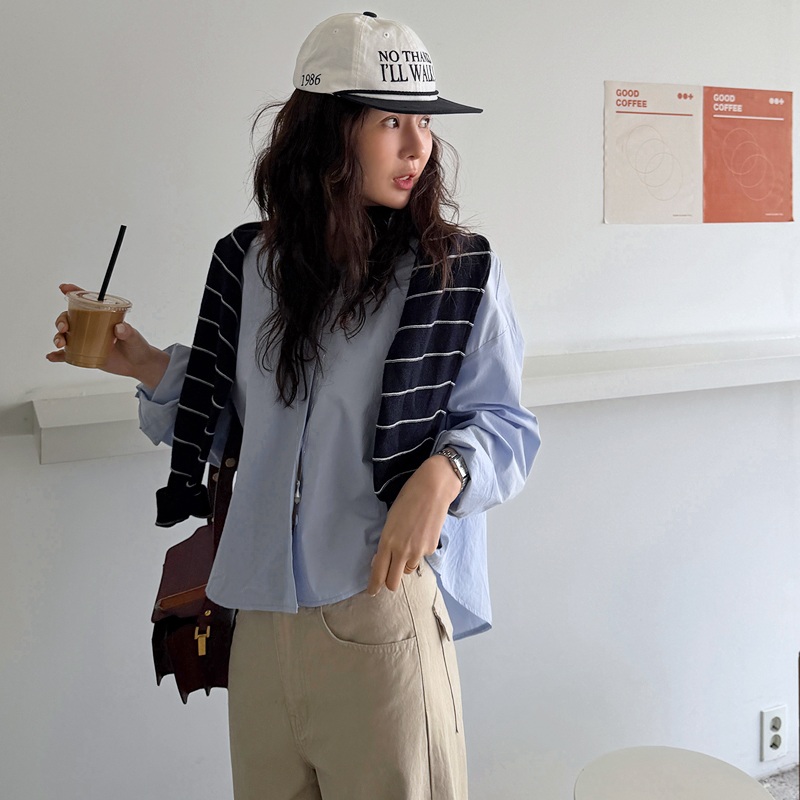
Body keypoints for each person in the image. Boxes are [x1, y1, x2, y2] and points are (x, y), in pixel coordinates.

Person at [48, 11, 540, 800]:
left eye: (424, 122)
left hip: (379, 608)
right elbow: (239, 430)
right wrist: (141, 364)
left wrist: (443, 474)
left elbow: (507, 427)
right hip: (260, 619)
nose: (418, 147)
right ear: (326, 131)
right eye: (390, 121)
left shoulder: (455, 272)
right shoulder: (252, 263)